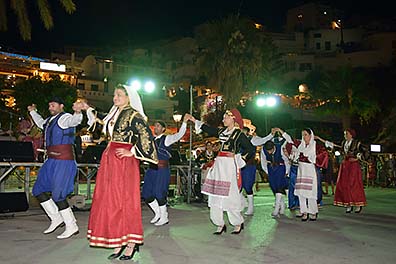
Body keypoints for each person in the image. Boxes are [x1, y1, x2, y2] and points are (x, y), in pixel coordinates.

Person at [86, 84, 158, 260]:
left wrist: (132, 151)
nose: (115, 98)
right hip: (110, 160)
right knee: (110, 201)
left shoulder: (134, 115)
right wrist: (86, 108)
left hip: (124, 162)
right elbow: (99, 121)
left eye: (119, 95)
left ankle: (131, 244)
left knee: (125, 200)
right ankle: (119, 240)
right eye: (114, 95)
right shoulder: (114, 114)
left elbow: (146, 137)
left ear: (128, 97)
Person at [187, 109, 255, 234]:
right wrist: (194, 120)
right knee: (215, 193)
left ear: (233, 119)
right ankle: (219, 223)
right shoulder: (222, 132)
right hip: (219, 165)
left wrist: (239, 158)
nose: (223, 120)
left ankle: (237, 222)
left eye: (225, 117)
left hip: (229, 166)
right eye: (223, 117)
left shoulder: (238, 134)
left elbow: (250, 149)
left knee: (230, 194)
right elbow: (208, 129)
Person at [28, 97, 87, 239]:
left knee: (58, 195)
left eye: (53, 105)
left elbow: (75, 121)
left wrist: (78, 112)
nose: (50, 107)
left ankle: (71, 225)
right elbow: (41, 123)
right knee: (38, 190)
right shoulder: (49, 121)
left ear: (61, 106)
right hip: (51, 160)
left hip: (63, 161)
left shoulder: (65, 118)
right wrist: (33, 112)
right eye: (49, 105)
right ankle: (56, 218)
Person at [142, 117, 187, 226]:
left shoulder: (166, 139)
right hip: (151, 169)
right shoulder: (151, 140)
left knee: (159, 192)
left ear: (163, 129)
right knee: (146, 193)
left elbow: (179, 135)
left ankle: (164, 216)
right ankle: (158, 213)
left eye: (158, 126)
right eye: (155, 125)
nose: (156, 127)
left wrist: (184, 122)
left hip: (161, 169)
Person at [316, 129, 368, 213]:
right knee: (345, 184)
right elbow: (333, 145)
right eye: (344, 134)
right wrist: (319, 138)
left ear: (351, 135)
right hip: (345, 165)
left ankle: (358, 204)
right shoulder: (343, 143)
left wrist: (358, 157)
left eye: (346, 134)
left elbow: (365, 152)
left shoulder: (357, 143)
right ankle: (348, 204)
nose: (345, 135)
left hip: (354, 166)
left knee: (354, 184)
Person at [251, 128, 289, 218]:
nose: (269, 152)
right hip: (271, 169)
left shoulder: (280, 148)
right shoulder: (264, 150)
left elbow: (286, 160)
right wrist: (267, 171)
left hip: (280, 168)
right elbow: (263, 162)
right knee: (274, 188)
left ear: (273, 147)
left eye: (270, 150)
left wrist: (287, 171)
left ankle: (276, 209)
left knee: (280, 187)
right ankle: (282, 206)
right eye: (268, 151)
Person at [240, 127, 257, 216]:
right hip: (240, 167)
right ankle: (242, 204)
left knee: (248, 187)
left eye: (243, 133)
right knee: (239, 186)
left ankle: (251, 207)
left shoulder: (252, 141)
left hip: (249, 166)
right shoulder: (238, 142)